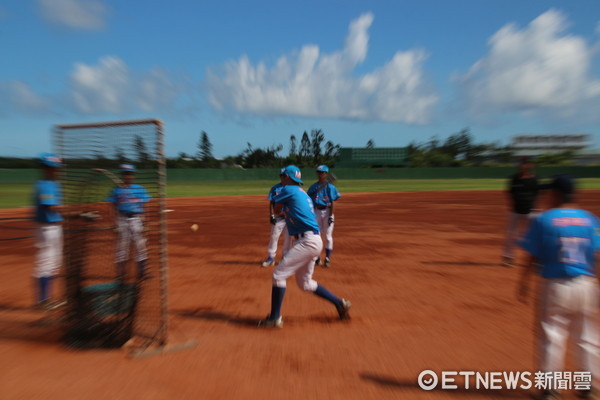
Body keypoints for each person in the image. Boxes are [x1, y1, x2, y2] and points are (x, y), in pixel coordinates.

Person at [518, 174, 600, 400]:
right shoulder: (590, 219)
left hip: (555, 285)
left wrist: (523, 282)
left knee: (552, 336)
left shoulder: (544, 220)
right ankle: (587, 387)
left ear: (555, 194)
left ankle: (551, 389)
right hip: (587, 283)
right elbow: (596, 254)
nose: (545, 196)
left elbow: (531, 256)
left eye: (548, 192)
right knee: (586, 337)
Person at [258, 165, 351, 328]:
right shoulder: (303, 193)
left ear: (288, 178)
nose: (282, 179)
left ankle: (274, 318)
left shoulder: (289, 190)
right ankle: (339, 303)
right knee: (305, 283)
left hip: (306, 241)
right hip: (312, 241)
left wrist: (285, 208)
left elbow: (278, 209)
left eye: (284, 176)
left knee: (278, 275)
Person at [32, 153, 65, 310]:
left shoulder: (54, 184)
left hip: (55, 228)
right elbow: (50, 207)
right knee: (44, 263)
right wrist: (76, 214)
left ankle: (48, 299)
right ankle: (42, 301)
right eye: (52, 168)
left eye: (56, 168)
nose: (55, 171)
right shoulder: (44, 185)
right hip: (46, 229)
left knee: (53, 263)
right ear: (45, 168)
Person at [106, 164, 151, 279]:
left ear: (133, 175)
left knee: (140, 245)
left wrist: (146, 222)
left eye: (130, 173)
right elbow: (112, 207)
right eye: (125, 173)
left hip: (137, 218)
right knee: (122, 246)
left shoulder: (139, 189)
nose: (127, 176)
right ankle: (121, 274)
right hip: (122, 219)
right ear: (122, 175)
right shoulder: (116, 190)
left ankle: (143, 272)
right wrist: (114, 223)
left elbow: (145, 207)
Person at [503, 156, 539, 267]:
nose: (524, 165)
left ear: (530, 165)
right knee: (510, 234)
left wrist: (537, 208)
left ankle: (533, 259)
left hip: (530, 210)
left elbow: (538, 194)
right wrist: (510, 206)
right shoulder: (515, 178)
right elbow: (509, 193)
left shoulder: (534, 179)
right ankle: (508, 257)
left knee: (533, 235)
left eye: (527, 163)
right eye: (522, 163)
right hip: (515, 210)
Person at [307, 165, 341, 267]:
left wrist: (331, 216)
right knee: (316, 235)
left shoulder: (330, 187)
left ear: (326, 173)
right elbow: (308, 200)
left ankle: (327, 258)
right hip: (316, 212)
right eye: (318, 172)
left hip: (327, 212)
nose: (320, 174)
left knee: (327, 236)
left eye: (322, 172)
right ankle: (317, 257)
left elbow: (333, 202)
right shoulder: (313, 187)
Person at [261, 169, 293, 267]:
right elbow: (271, 202)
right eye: (281, 175)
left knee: (288, 238)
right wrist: (271, 215)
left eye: (285, 175)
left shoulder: (292, 188)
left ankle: (286, 258)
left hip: (289, 217)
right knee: (274, 237)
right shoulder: (275, 188)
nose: (283, 177)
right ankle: (271, 257)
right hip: (278, 217)